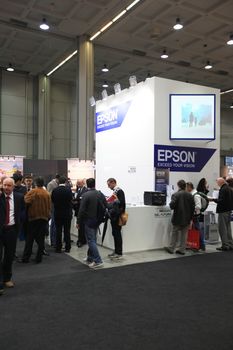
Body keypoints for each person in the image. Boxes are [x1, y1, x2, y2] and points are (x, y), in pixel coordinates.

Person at [0, 177, 24, 294]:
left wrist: (19, 222)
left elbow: (22, 211)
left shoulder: (19, 197)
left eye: (9, 185)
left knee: (9, 256)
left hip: (12, 230)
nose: (6, 187)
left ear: (13, 187)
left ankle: (7, 278)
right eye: (4, 185)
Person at [77, 178, 106, 269]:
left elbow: (81, 210)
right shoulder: (100, 193)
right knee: (92, 239)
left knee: (91, 241)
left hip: (89, 221)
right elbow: (106, 205)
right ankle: (90, 257)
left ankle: (98, 260)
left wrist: (78, 221)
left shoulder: (86, 195)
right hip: (97, 220)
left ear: (87, 184)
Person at [22, 177, 51, 263]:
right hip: (44, 218)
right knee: (41, 239)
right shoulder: (47, 193)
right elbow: (49, 207)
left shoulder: (33, 192)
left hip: (33, 218)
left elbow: (26, 201)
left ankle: (26, 258)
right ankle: (39, 258)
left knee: (29, 239)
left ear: (35, 183)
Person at [164, 179, 195, 255]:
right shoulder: (190, 195)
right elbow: (192, 208)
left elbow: (171, 206)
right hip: (187, 218)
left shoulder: (176, 195)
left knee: (174, 233)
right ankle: (182, 250)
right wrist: (191, 218)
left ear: (178, 186)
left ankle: (172, 248)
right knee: (184, 235)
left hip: (177, 218)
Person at [51, 176, 73, 253]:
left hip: (58, 213)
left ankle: (58, 248)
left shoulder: (55, 190)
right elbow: (71, 199)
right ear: (65, 182)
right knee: (67, 231)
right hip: (67, 213)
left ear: (58, 182)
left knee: (58, 231)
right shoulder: (68, 190)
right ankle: (68, 247)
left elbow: (52, 200)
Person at [211, 178, 233, 251]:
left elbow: (221, 200)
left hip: (222, 211)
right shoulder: (229, 188)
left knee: (222, 229)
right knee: (228, 228)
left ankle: (225, 245)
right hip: (228, 210)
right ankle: (230, 243)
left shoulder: (223, 189)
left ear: (220, 182)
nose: (217, 183)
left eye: (217, 182)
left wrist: (213, 199)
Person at [107, 178, 126, 260]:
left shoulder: (119, 191)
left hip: (116, 217)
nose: (108, 186)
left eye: (109, 185)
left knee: (117, 234)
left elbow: (122, 204)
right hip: (114, 216)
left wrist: (116, 215)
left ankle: (119, 252)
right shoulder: (115, 191)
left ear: (113, 182)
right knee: (115, 234)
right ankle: (116, 251)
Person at [186, 182, 205, 251]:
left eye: (186, 187)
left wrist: (192, 210)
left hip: (195, 215)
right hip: (194, 215)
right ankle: (200, 245)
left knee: (197, 230)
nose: (186, 189)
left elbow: (198, 206)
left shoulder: (195, 195)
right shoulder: (193, 194)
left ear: (189, 187)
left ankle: (200, 245)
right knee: (196, 230)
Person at [73, 179, 88, 247]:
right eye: (77, 183)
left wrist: (77, 201)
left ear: (83, 183)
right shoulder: (78, 190)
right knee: (79, 226)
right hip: (78, 210)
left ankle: (81, 240)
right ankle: (82, 240)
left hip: (83, 211)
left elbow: (83, 200)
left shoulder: (86, 190)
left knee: (81, 226)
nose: (78, 184)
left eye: (79, 183)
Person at [47, 174, 60, 247]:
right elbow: (50, 195)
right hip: (53, 206)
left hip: (55, 206)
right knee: (54, 224)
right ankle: (53, 241)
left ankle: (53, 240)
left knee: (54, 224)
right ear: (57, 179)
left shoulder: (55, 184)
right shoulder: (51, 184)